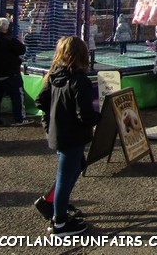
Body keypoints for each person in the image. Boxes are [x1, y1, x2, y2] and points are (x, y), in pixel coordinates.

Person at [35, 36, 100, 237]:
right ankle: (60, 223)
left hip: (58, 132)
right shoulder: (80, 81)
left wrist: (52, 119)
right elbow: (85, 115)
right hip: (73, 135)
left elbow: (40, 101)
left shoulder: (54, 75)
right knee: (65, 176)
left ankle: (49, 202)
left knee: (74, 167)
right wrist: (102, 116)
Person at [0, 17, 30, 127]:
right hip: (10, 73)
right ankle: (19, 118)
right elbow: (21, 49)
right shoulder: (8, 40)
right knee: (16, 96)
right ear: (6, 28)